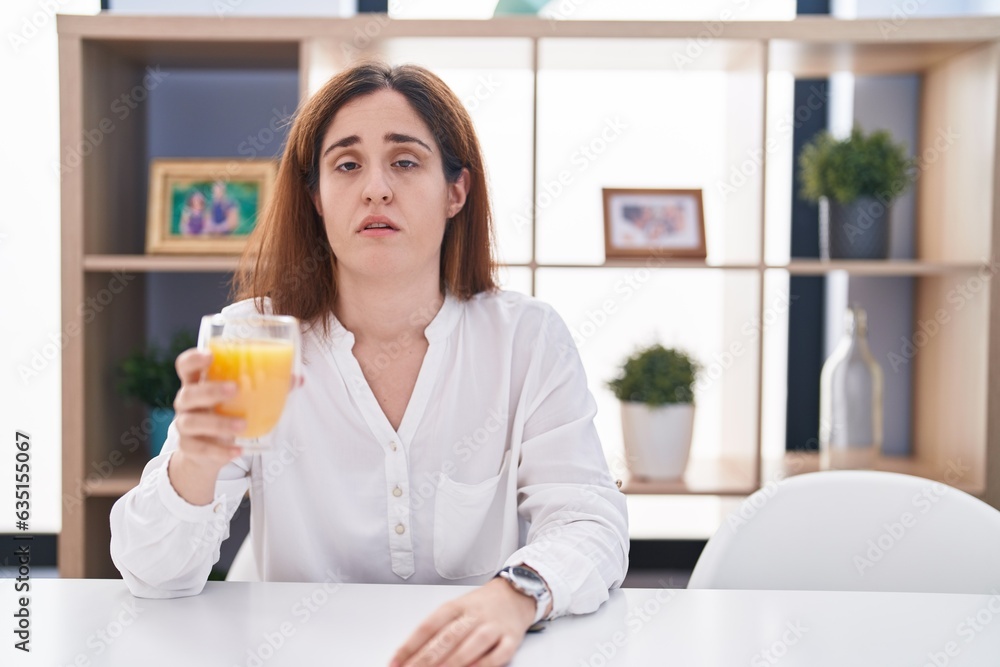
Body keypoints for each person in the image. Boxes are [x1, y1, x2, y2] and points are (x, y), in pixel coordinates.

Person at [110, 62, 629, 667]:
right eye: (347, 165)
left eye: (405, 162)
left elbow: (590, 521)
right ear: (316, 198)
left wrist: (514, 596)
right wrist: (195, 464)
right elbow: (152, 575)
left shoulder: (526, 339)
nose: (376, 188)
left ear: (456, 191)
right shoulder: (253, 339)